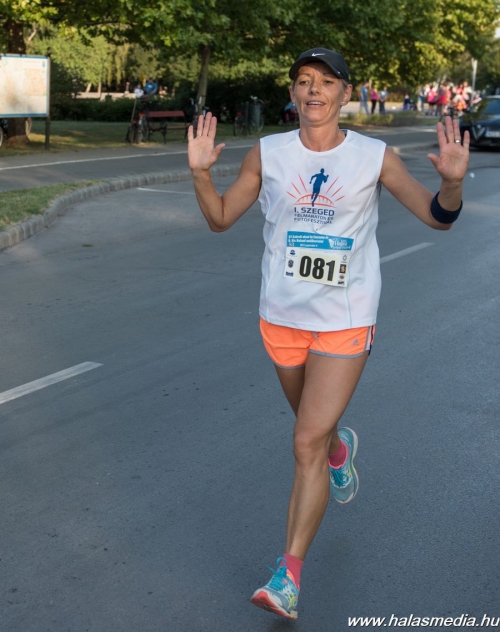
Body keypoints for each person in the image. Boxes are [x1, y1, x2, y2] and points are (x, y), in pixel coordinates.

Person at [187, 47, 470, 621]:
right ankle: (340, 450)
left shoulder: (374, 157)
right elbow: (220, 218)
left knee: (303, 442)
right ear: (293, 93)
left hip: (345, 319)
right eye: (303, 80)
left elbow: (437, 217)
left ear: (345, 92)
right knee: (315, 433)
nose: (313, 89)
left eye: (325, 81)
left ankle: (287, 576)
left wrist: (452, 186)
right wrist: (199, 173)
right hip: (281, 318)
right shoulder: (268, 153)